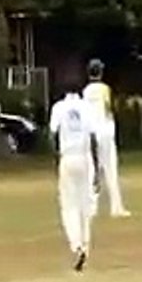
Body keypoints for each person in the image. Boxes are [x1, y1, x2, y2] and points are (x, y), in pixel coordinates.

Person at [48, 84, 101, 272]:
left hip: (68, 157)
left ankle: (76, 244)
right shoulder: (88, 107)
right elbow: (94, 138)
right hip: (84, 157)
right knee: (85, 204)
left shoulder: (58, 108)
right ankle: (86, 245)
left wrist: (56, 158)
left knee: (69, 205)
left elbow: (52, 135)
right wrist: (96, 165)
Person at [82, 59, 131, 218]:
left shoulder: (86, 91)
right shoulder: (104, 89)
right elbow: (109, 107)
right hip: (105, 132)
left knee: (93, 170)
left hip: (91, 133)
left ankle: (91, 207)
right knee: (110, 170)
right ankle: (116, 207)